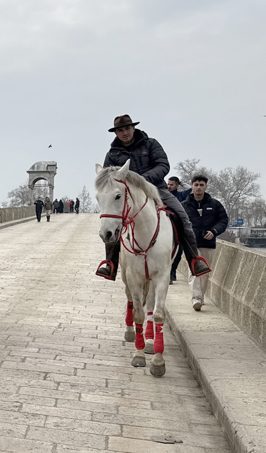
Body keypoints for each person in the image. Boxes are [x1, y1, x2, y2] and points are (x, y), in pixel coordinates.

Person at [96, 115, 211, 280]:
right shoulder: (112, 154)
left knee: (182, 216)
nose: (124, 133)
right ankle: (110, 264)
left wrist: (143, 180)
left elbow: (163, 165)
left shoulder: (151, 144)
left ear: (133, 128)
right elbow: (108, 179)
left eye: (127, 129)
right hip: (126, 194)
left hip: (156, 189)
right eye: (120, 130)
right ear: (116, 133)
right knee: (112, 222)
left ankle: (194, 259)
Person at [182, 175, 228, 311]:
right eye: (196, 184)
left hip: (208, 243)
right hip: (191, 243)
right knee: (195, 269)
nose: (198, 187)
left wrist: (214, 231)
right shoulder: (184, 205)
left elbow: (223, 220)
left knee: (205, 272)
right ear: (192, 186)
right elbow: (178, 222)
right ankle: (196, 297)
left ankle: (200, 295)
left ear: (206, 186)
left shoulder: (215, 204)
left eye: (201, 185)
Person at [167, 176, 192, 282]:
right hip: (166, 225)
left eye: (172, 185)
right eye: (168, 184)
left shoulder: (181, 195)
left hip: (178, 226)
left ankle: (173, 271)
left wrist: (181, 183)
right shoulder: (164, 195)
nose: (169, 186)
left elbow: (190, 189)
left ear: (177, 185)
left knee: (179, 252)